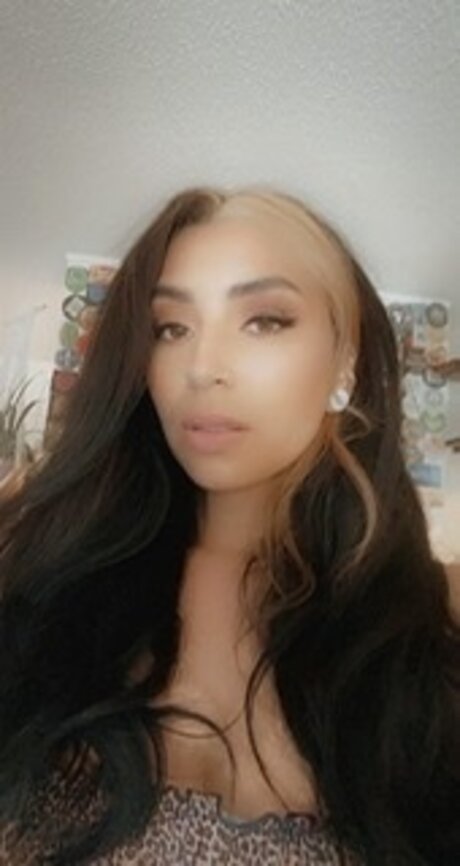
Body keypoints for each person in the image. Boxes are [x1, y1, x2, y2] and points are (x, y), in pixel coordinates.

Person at [0, 185, 458, 865]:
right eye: (170, 329)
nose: (202, 368)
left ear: (346, 357)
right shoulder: (47, 572)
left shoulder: (431, 622)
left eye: (265, 320)